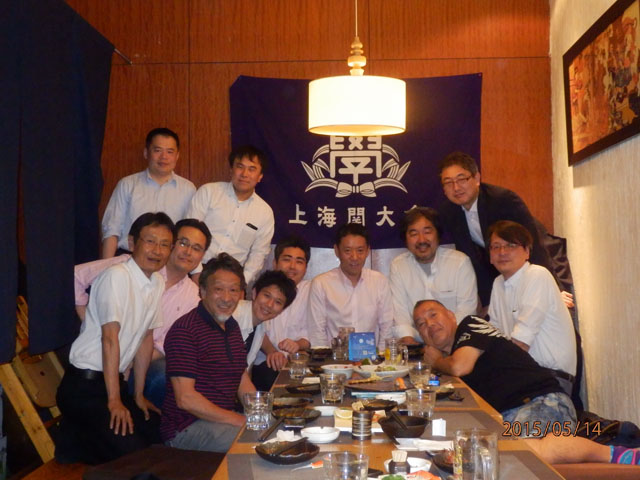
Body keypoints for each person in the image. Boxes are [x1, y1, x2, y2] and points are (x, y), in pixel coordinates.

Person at [56, 212, 175, 464]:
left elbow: (146, 338)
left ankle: (80, 441)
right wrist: (114, 401)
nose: (157, 250)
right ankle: (78, 441)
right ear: (132, 243)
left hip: (114, 385)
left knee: (157, 434)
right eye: (150, 241)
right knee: (133, 456)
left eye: (165, 244)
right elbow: (109, 339)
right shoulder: (116, 276)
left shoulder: (156, 282)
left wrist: (138, 395)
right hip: (84, 387)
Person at [74, 218, 212, 408]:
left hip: (141, 364)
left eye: (196, 248)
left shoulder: (194, 299)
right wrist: (89, 321)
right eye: (183, 243)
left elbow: (164, 344)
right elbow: (76, 276)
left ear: (203, 256)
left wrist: (130, 359)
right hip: (99, 354)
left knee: (172, 377)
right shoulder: (131, 265)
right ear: (172, 244)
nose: (188, 252)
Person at [414, 299, 576, 433]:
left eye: (433, 315)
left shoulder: (471, 325)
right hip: (508, 415)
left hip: (541, 401)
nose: (429, 324)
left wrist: (436, 361)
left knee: (522, 451)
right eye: (421, 324)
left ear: (451, 315)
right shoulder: (447, 362)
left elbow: (460, 367)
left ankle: (591, 449)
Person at [437, 151, 559, 308]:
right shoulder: (449, 212)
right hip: (495, 273)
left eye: (461, 179)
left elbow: (533, 244)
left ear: (477, 178)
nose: (456, 187)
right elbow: (472, 258)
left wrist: (552, 289)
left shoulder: (503, 200)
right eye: (448, 182)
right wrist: (487, 302)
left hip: (532, 264)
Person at [161, 253, 255, 453]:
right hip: (186, 428)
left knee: (280, 431)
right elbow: (186, 399)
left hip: (221, 420)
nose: (227, 298)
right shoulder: (185, 330)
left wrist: (261, 413)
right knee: (257, 443)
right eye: (218, 289)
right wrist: (240, 420)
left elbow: (241, 378)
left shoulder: (231, 326)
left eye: (233, 290)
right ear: (202, 291)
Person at [487, 220, 576, 395]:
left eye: (511, 245)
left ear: (527, 251)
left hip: (550, 380)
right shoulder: (498, 284)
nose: (502, 252)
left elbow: (521, 343)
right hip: (520, 374)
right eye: (496, 247)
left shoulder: (537, 275)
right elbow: (494, 336)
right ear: (490, 255)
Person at [186, 145, 274, 285]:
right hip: (196, 269)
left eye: (252, 169)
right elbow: (189, 232)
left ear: (260, 176)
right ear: (231, 169)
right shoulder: (209, 192)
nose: (244, 174)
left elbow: (259, 254)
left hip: (233, 278)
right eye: (240, 166)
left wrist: (241, 283)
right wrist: (196, 273)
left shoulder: (265, 212)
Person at [389, 207, 478, 344]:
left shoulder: (460, 262)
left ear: (438, 235)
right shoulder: (398, 266)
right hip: (417, 344)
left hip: (457, 341)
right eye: (414, 234)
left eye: (427, 232)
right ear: (405, 239)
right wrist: (411, 345)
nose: (421, 240)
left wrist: (446, 346)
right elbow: (400, 314)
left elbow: (466, 311)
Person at [101, 128, 195, 258]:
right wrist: (108, 265)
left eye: (170, 152)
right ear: (146, 153)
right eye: (157, 150)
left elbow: (189, 233)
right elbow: (112, 229)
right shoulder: (127, 184)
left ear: (177, 155)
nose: (164, 157)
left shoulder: (188, 189)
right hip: (128, 258)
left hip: (168, 260)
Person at [308, 223, 393, 349]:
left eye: (360, 250)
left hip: (371, 358)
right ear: (337, 251)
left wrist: (381, 357)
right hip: (335, 358)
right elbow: (317, 333)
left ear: (367, 251)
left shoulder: (379, 281)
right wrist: (325, 359)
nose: (354, 257)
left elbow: (387, 326)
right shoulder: (321, 284)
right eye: (347, 251)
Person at [252, 236, 312, 390]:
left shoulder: (313, 291)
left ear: (306, 268)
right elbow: (255, 326)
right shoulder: (265, 289)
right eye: (287, 259)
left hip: (299, 362)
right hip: (265, 361)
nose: (292, 266)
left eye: (299, 261)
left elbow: (315, 332)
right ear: (275, 263)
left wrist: (298, 345)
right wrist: (272, 352)